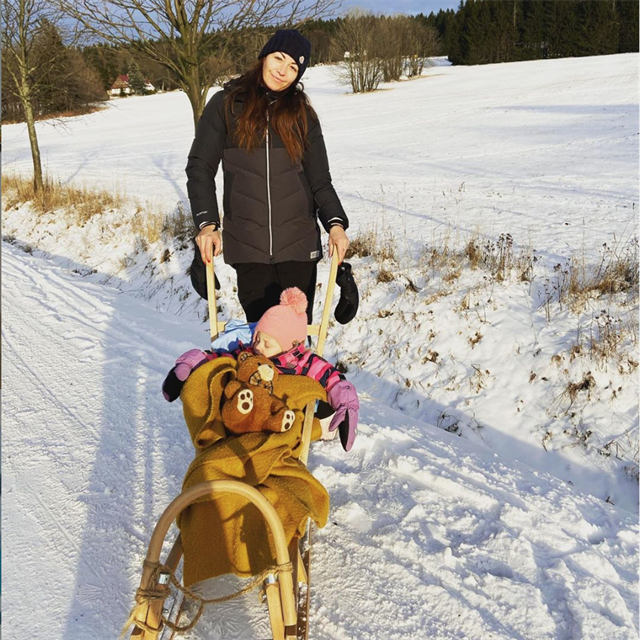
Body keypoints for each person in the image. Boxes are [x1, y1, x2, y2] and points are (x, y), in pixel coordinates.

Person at [186, 29, 350, 324]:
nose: (283, 71)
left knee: (294, 345)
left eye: (294, 67)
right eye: (279, 58)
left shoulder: (302, 116)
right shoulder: (225, 106)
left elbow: (319, 180)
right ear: (264, 56)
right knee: (262, 343)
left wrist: (336, 225)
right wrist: (207, 224)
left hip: (299, 248)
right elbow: (200, 167)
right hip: (248, 248)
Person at [163, 288, 359, 451]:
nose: (258, 346)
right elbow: (221, 360)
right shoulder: (250, 355)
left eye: (267, 343)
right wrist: (192, 362)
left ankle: (316, 427)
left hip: (282, 418)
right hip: (248, 420)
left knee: (308, 400)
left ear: (289, 345)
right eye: (257, 338)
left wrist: (346, 399)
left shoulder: (305, 362)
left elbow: (331, 377)